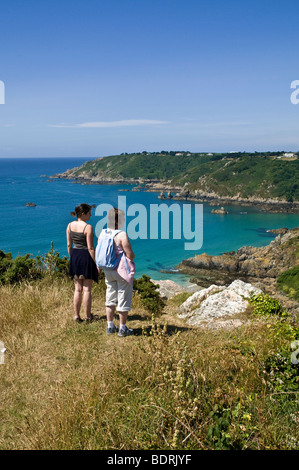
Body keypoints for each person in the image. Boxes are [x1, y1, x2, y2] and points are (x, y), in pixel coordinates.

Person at [97, 208, 135, 337]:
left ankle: (110, 326)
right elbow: (130, 254)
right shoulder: (121, 234)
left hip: (107, 270)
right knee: (123, 298)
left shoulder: (102, 233)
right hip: (120, 271)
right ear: (119, 220)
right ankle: (123, 329)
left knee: (110, 297)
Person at [67, 203, 98, 322]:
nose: (91, 215)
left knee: (77, 289)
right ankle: (88, 316)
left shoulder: (69, 226)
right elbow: (90, 248)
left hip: (75, 255)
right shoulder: (88, 227)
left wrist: (72, 257)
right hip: (85, 256)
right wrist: (95, 263)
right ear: (83, 214)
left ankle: (76, 315)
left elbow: (69, 244)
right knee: (87, 289)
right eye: (89, 212)